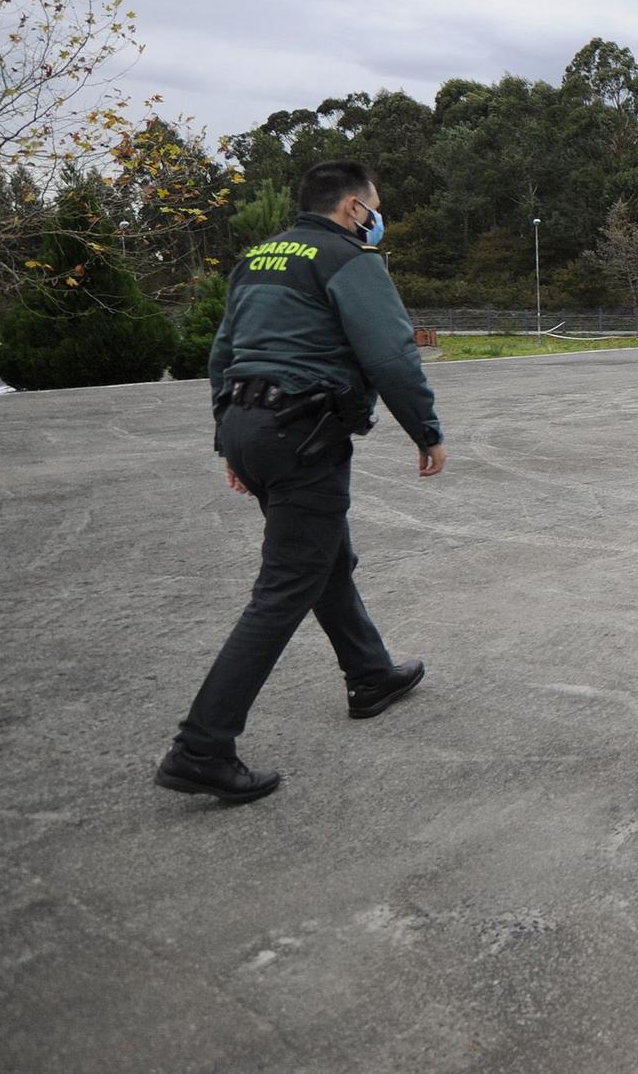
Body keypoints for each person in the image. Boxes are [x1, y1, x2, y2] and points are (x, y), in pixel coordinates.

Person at [155, 160, 447, 804]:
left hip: (249, 421)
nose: (374, 217)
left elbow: (223, 353)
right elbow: (391, 353)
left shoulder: (259, 257)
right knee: (286, 585)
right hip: (302, 431)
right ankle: (201, 747)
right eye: (373, 206)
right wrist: (425, 429)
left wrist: (229, 437)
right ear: (351, 207)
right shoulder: (348, 257)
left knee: (322, 558)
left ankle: (369, 674)